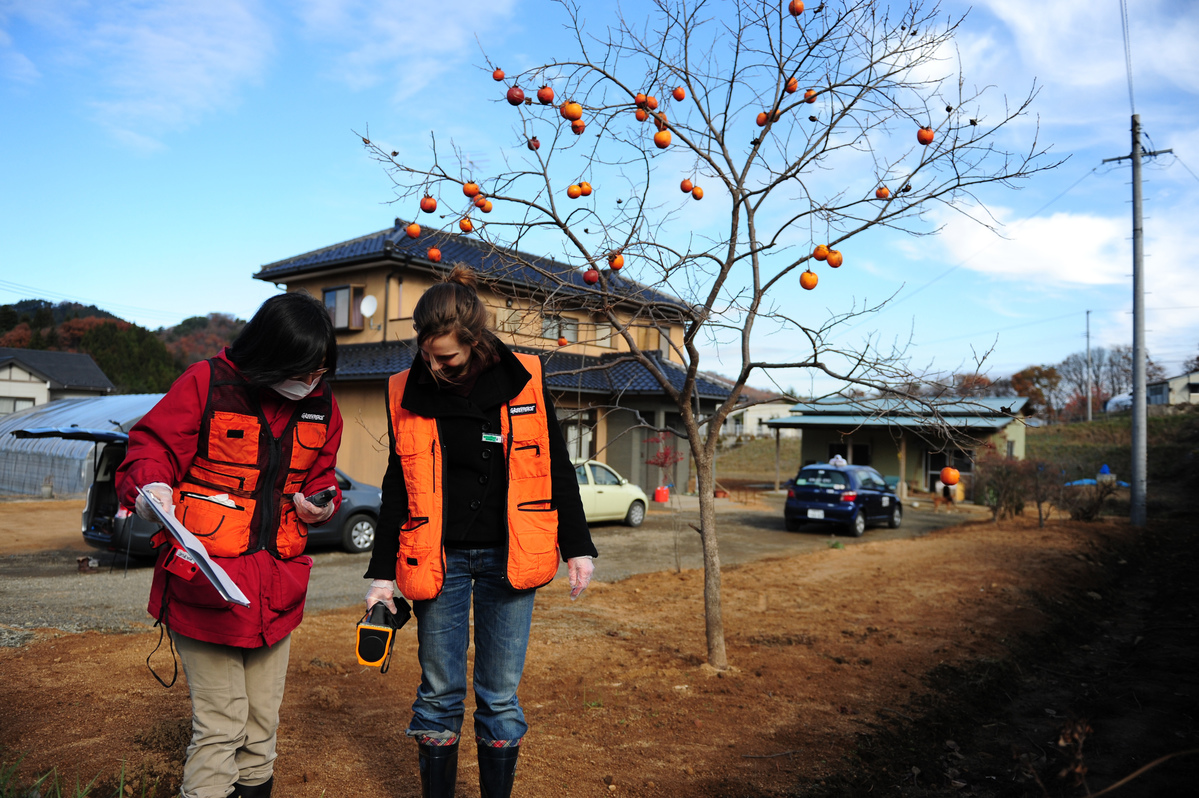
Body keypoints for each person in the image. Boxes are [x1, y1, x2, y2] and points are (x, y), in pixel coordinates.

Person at [363, 265, 597, 798]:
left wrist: (578, 547)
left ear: (474, 340)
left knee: (499, 696)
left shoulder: (526, 377)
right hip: (436, 561)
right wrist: (381, 576)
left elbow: (557, 466)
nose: (434, 365)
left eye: (446, 356)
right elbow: (396, 486)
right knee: (439, 692)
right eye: (426, 353)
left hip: (510, 559)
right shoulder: (405, 388)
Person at [116, 291, 343, 798]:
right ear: (269, 356)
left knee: (262, 729)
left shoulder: (323, 406)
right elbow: (149, 447)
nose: (310, 383)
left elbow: (323, 475)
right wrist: (152, 487)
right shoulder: (206, 383)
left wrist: (323, 503)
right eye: (302, 370)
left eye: (319, 372)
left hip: (276, 590)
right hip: (207, 589)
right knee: (221, 727)